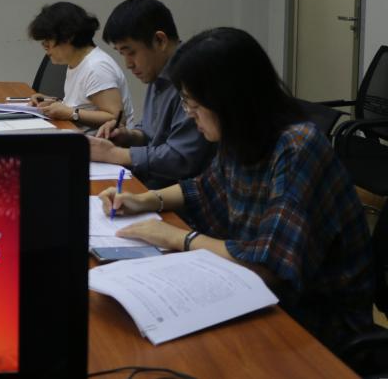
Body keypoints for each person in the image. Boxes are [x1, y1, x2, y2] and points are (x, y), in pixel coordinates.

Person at [98, 27, 374, 351]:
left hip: (317, 321)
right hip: (261, 295)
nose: (189, 114)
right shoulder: (242, 134)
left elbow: (269, 266)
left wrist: (177, 237)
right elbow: (205, 188)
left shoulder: (297, 147)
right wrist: (144, 200)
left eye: (194, 104)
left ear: (229, 100)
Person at [87, 0, 213, 188]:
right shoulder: (158, 73)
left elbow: (181, 159)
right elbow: (150, 132)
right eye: (122, 54)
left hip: (178, 193)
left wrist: (114, 154)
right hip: (156, 186)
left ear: (159, 41)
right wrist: (128, 135)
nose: (128, 64)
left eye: (131, 52)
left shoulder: (191, 75)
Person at [27, 1, 133, 131]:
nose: (45, 48)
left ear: (68, 36)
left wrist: (71, 113)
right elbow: (86, 105)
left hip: (101, 141)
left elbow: (117, 119)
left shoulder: (96, 67)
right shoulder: (77, 62)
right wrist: (54, 103)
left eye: (48, 42)